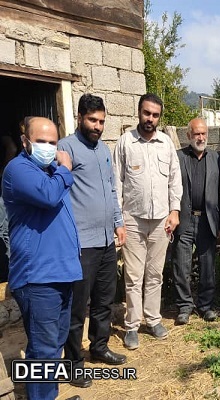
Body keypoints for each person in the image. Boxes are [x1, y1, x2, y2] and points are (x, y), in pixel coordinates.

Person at [2, 117, 82, 400]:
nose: (49, 148)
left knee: (53, 343)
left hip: (61, 272)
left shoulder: (51, 172)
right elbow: (48, 197)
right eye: (41, 142)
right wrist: (66, 168)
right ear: (25, 142)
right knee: (44, 349)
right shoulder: (19, 170)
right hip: (38, 276)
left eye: (53, 142)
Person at [58, 94, 128, 388]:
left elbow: (111, 190)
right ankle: (73, 363)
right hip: (81, 244)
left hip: (105, 241)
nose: (97, 126)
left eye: (101, 121)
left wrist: (119, 221)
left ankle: (99, 348)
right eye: (92, 120)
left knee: (104, 301)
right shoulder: (66, 148)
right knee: (77, 307)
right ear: (79, 117)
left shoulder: (103, 150)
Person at [113, 93, 182, 350]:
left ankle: (153, 320)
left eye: (154, 115)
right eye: (146, 113)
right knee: (133, 275)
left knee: (155, 274)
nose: (150, 119)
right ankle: (132, 325)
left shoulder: (166, 144)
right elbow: (116, 183)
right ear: (139, 112)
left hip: (162, 221)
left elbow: (175, 180)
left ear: (159, 117)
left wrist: (174, 211)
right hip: (132, 219)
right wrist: (118, 220)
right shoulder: (125, 143)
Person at [172, 118, 220, 325]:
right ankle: (184, 306)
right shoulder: (178, 157)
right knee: (181, 265)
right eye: (196, 134)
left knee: (207, 265)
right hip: (184, 218)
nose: (200, 138)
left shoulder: (216, 158)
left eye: (203, 134)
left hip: (207, 219)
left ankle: (205, 306)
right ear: (188, 135)